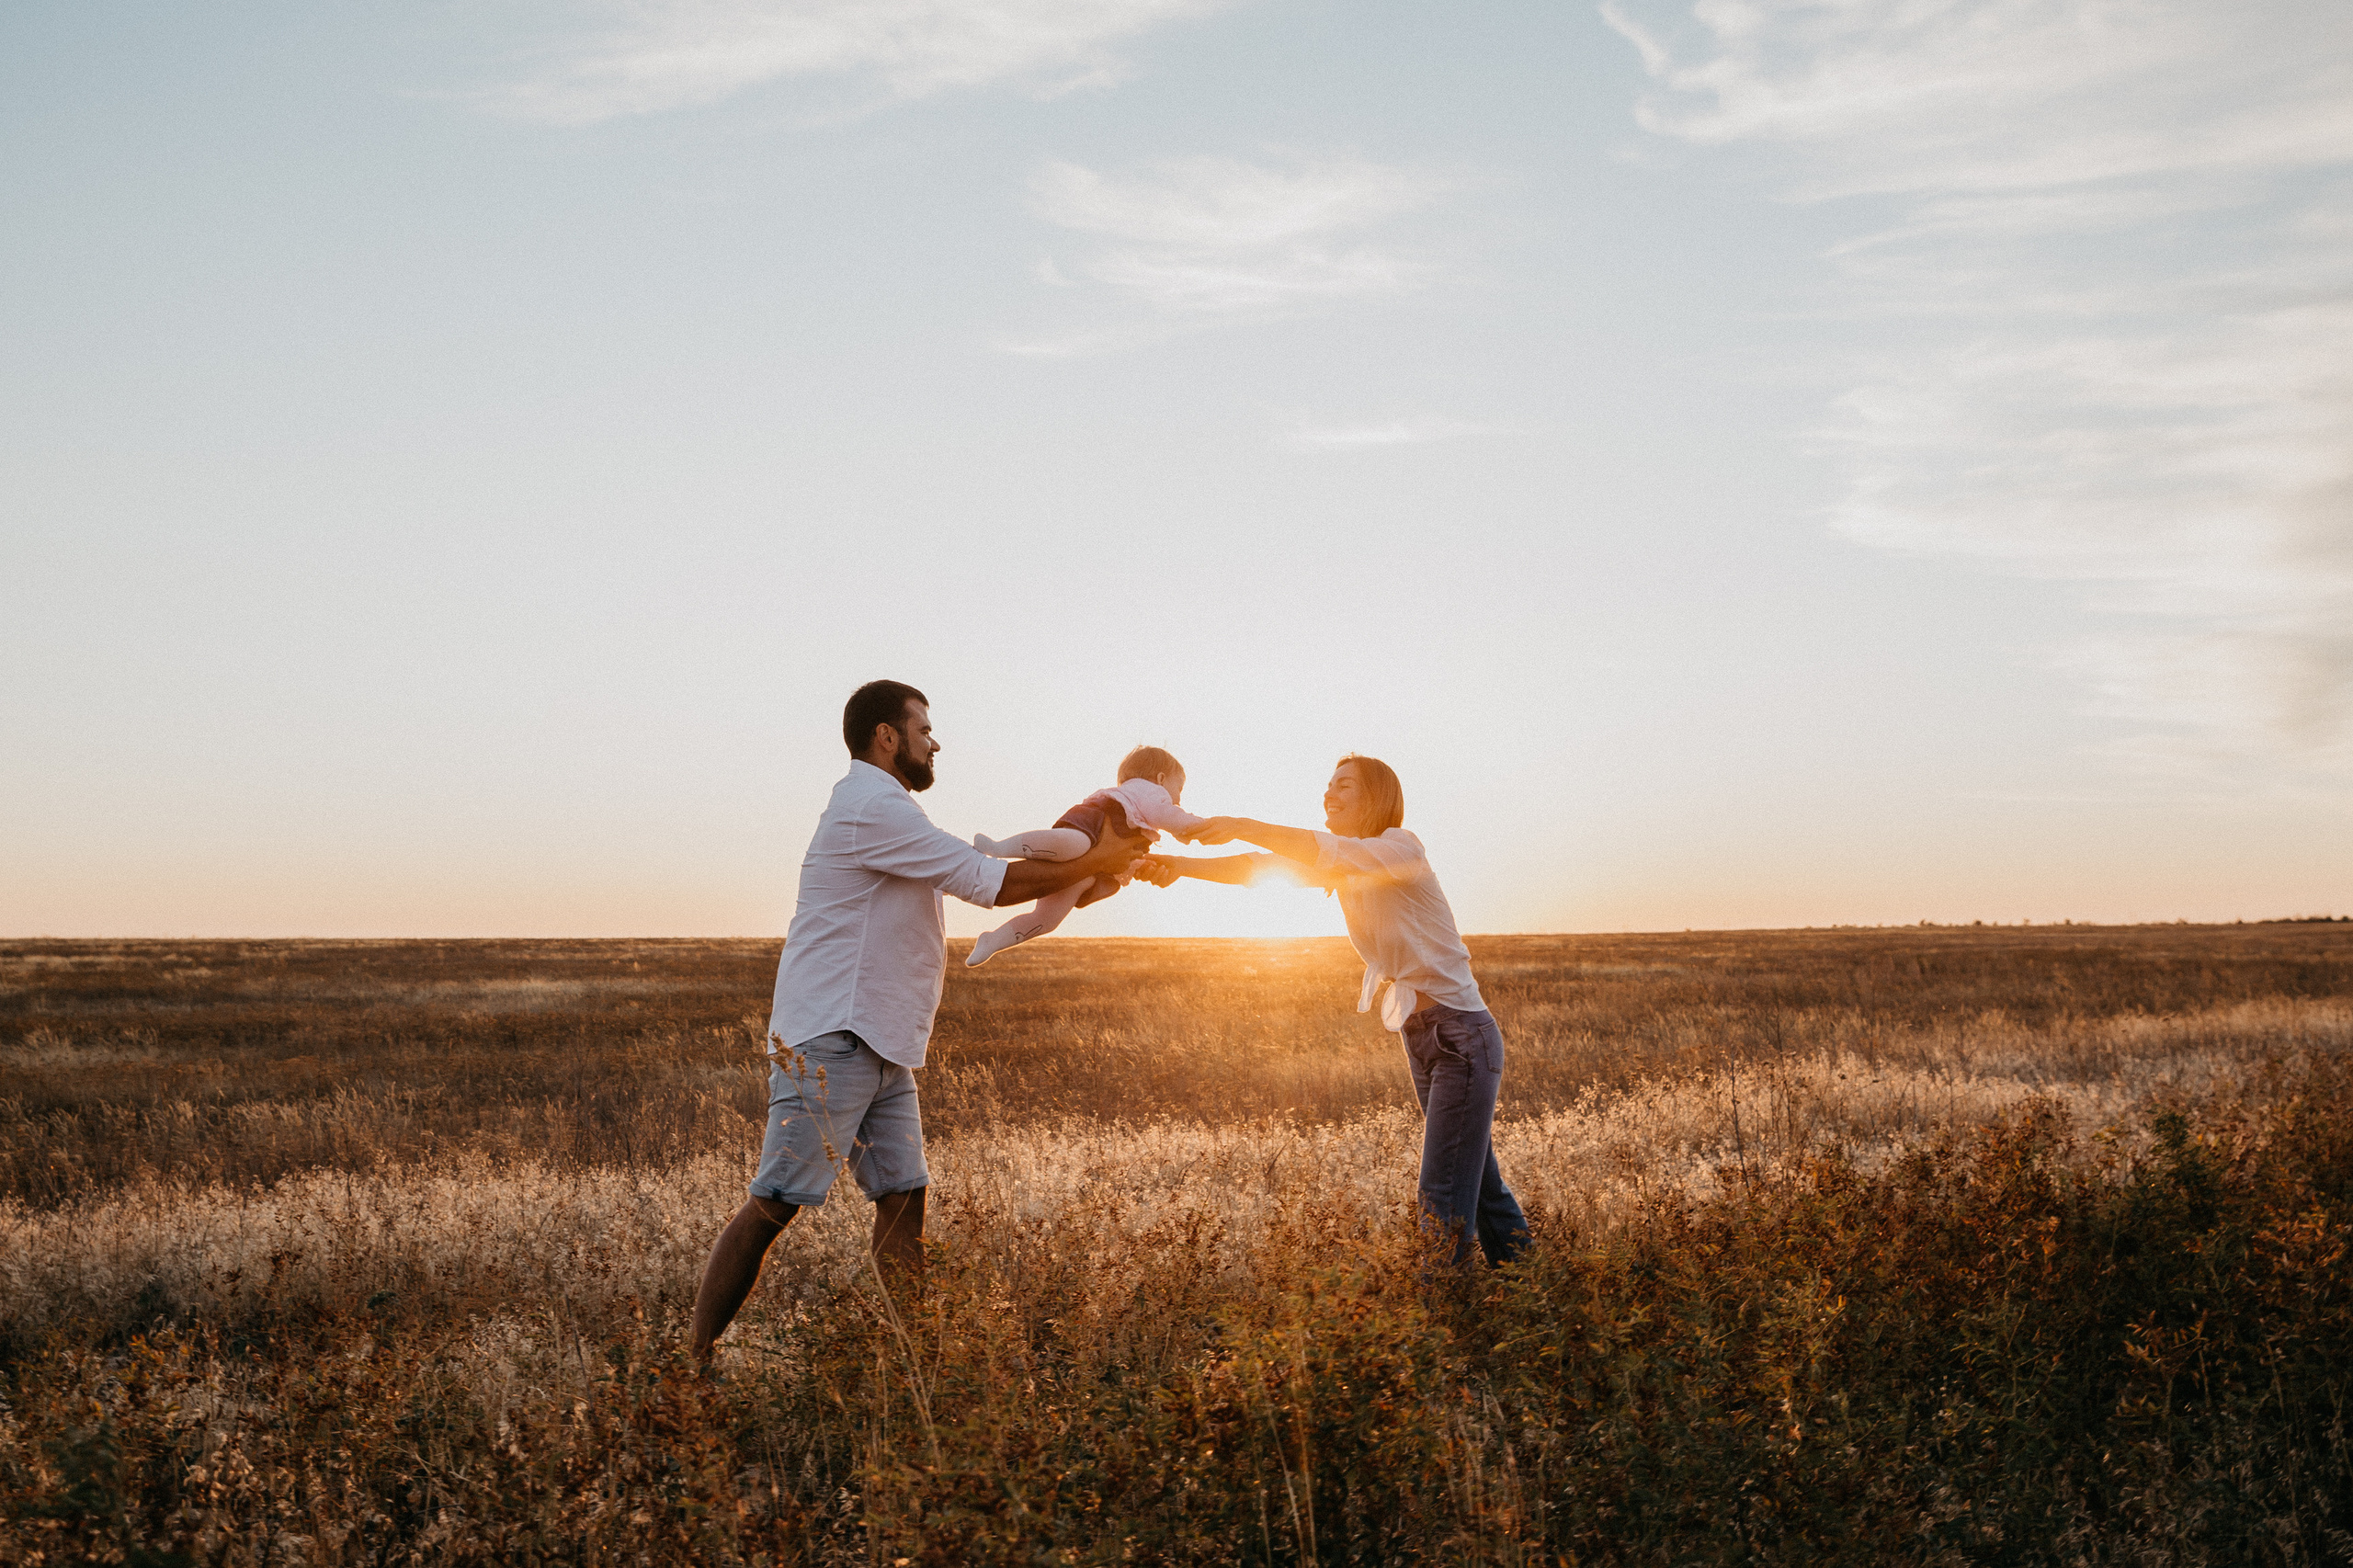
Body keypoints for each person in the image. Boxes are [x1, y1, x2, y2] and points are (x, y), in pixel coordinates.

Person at [688, 680, 1151, 1363]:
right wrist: (1101, 859)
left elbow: (989, 877)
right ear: (886, 736)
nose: (935, 741)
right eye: (924, 728)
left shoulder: (889, 811)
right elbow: (987, 883)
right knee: (775, 1202)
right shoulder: (870, 806)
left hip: (877, 1041)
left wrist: (1098, 869)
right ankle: (690, 1365)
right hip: (833, 1038)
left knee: (904, 1199)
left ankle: (919, 1360)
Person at [1141, 755, 1531, 1269]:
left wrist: (1241, 826)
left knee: (1441, 1196)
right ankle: (1532, 1291)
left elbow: (1308, 846)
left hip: (1459, 1037)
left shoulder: (1398, 848)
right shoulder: (1348, 864)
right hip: (1425, 1036)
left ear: (1375, 798)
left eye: (1343, 786)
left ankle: (1446, 1328)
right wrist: (1180, 867)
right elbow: (1259, 869)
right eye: (1327, 785)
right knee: (1478, 1186)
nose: (1329, 794)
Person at [966, 744, 1211, 966]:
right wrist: (1204, 827)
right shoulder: (1148, 791)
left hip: (1091, 865)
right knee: (1075, 843)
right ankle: (999, 848)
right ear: (1160, 779)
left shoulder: (1143, 812)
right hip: (1091, 827)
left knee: (1048, 919)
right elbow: (1170, 817)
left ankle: (993, 940)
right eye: (1178, 788)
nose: (1178, 798)